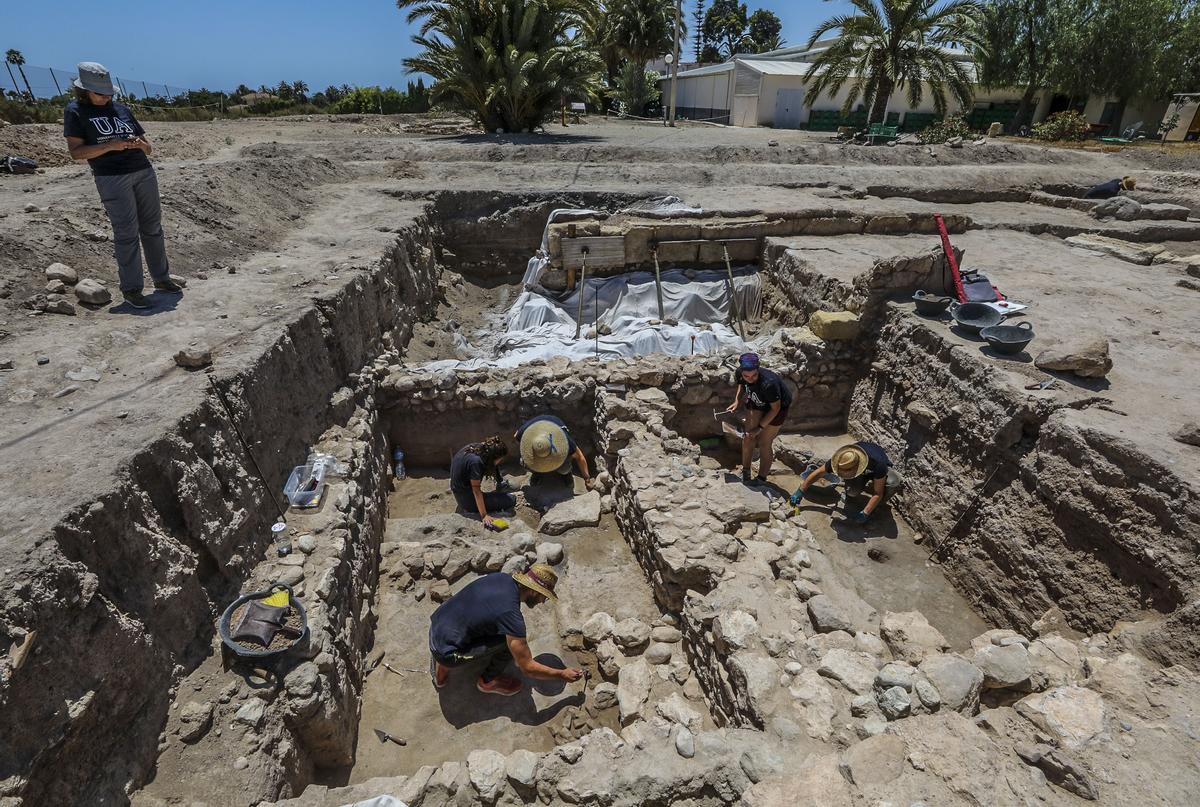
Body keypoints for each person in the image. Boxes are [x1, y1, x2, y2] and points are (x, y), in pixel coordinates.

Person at [63, 62, 181, 310]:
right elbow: (76, 152)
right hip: (111, 177)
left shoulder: (121, 109)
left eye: (109, 93)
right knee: (126, 233)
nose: (106, 97)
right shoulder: (75, 111)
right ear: (84, 91)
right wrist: (110, 146)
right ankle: (132, 290)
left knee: (152, 228)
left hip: (143, 171)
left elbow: (149, 147)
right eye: (100, 93)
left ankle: (162, 279)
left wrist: (139, 144)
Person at [428, 564, 584, 695]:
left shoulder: (501, 578)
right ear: (533, 591)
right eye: (544, 596)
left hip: (438, 623)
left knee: (492, 625)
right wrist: (561, 674)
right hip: (444, 652)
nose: (543, 602)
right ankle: (487, 681)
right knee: (509, 642)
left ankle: (443, 661)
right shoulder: (510, 615)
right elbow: (527, 668)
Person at [790, 442, 903, 524]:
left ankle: (875, 508)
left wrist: (865, 513)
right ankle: (853, 495)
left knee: (892, 483)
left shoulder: (879, 464)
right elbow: (819, 472)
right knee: (852, 492)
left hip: (878, 472)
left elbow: (878, 493)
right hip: (863, 471)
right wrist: (800, 490)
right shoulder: (843, 458)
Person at [724, 353, 791, 484]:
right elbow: (742, 384)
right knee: (748, 437)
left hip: (776, 408)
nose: (750, 379)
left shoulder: (769, 383)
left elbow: (775, 409)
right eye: (746, 376)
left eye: (754, 375)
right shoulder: (740, 373)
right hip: (757, 400)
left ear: (758, 369)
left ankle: (761, 478)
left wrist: (760, 428)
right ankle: (746, 472)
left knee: (764, 443)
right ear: (742, 371)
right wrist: (737, 400)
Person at [450, 436, 515, 528]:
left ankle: (500, 485)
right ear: (495, 457)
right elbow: (476, 490)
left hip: (458, 489)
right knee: (511, 499)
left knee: (494, 464)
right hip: (465, 500)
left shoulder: (479, 448)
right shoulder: (476, 463)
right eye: (500, 459)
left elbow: (494, 464)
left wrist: (499, 480)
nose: (500, 461)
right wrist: (484, 515)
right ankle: (476, 507)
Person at [516, 415, 593, 488]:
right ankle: (537, 472)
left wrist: (587, 478)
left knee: (564, 468)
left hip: (554, 425)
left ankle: (566, 474)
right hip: (540, 427)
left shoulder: (564, 440)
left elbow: (579, 457)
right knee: (524, 462)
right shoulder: (524, 433)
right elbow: (516, 436)